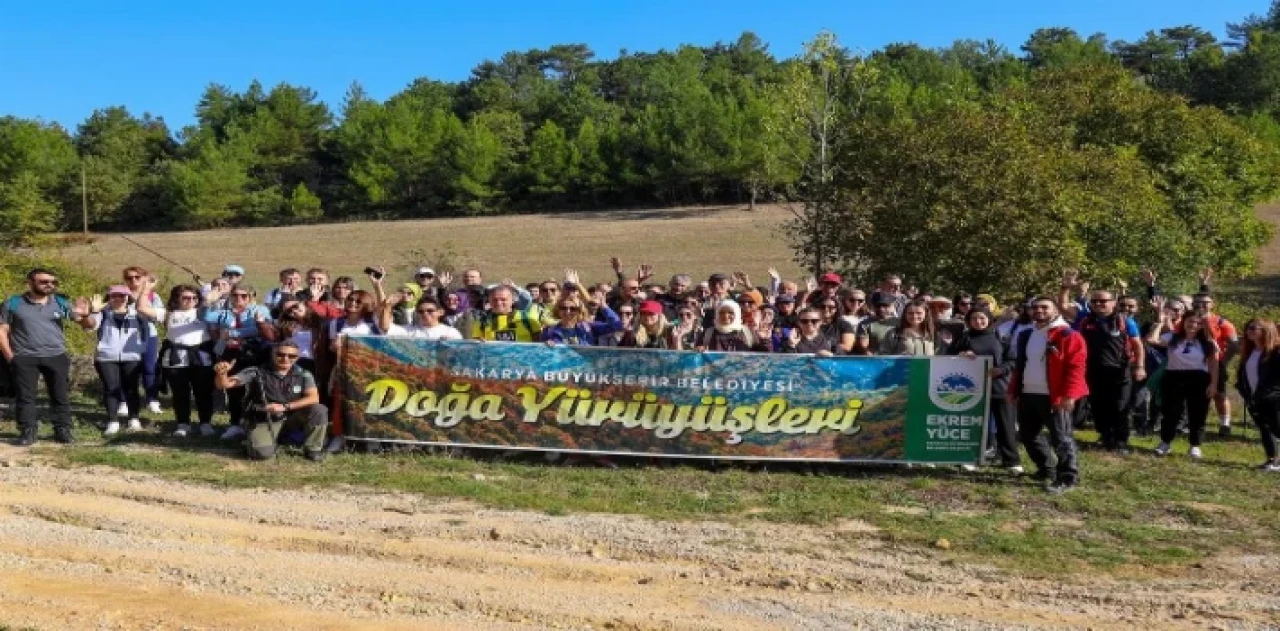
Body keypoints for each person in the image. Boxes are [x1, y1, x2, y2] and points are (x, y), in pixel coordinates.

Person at [1008, 297, 1088, 494]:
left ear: (1056, 310)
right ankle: (1047, 468)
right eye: (1035, 307)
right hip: (1028, 393)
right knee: (1027, 434)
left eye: (1045, 307)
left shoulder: (1068, 334)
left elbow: (1076, 367)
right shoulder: (1027, 334)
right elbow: (1020, 365)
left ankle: (1067, 477)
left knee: (1061, 438)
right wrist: (1013, 390)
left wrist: (1069, 395)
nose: (1039, 311)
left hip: (1055, 396)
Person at [0, 269, 80, 446]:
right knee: (25, 397)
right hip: (24, 357)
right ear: (30, 282)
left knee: (60, 395)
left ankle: (63, 430)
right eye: (44, 281)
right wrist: (10, 357)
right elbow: (2, 330)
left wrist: (86, 314)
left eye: (53, 282)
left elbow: (83, 322)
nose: (49, 285)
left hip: (56, 355)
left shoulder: (60, 302)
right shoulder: (13, 303)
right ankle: (28, 432)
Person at [214, 340, 328, 462]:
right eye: (280, 354)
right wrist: (222, 374)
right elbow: (224, 385)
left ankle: (313, 449)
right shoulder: (256, 371)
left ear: (297, 357)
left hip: (291, 416)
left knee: (319, 409)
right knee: (260, 454)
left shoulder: (304, 374)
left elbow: (313, 398)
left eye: (291, 356)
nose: (285, 358)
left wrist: (284, 407)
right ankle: (255, 437)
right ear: (273, 354)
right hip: (264, 418)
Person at [1071, 290, 1145, 454]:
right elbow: (1063, 308)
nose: (1098, 304)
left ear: (1114, 302)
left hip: (1119, 371)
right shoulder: (1085, 320)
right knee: (1098, 406)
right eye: (1095, 301)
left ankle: (1120, 441)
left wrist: (1140, 367)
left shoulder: (1124, 321)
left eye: (1103, 301)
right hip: (1092, 371)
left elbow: (1137, 345)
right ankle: (1106, 436)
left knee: (1120, 406)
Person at [947, 308, 1020, 472]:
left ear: (989, 319)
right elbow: (948, 356)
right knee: (974, 425)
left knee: (1005, 424)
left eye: (982, 318)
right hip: (971, 389)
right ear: (968, 321)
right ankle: (971, 457)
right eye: (974, 319)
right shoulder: (964, 338)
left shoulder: (1000, 336)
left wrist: (1001, 370)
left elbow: (1013, 360)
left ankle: (1011, 460)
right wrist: (961, 354)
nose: (978, 322)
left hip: (999, 387)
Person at [79, 283, 157, 435]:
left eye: (122, 295)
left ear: (128, 297)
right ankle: (112, 421)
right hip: (107, 357)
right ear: (109, 297)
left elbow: (151, 321)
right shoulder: (102, 313)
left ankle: (134, 419)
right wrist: (90, 313)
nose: (118, 298)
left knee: (132, 389)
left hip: (132, 356)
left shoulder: (138, 314)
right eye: (114, 295)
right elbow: (89, 325)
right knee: (111, 388)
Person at [206, 282, 273, 441]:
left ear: (251, 297)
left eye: (244, 296)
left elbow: (260, 329)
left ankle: (254, 422)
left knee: (256, 388)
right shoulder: (224, 312)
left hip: (254, 353)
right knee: (233, 387)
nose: (239, 298)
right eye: (235, 295)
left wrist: (231, 332)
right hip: (230, 353)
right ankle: (235, 423)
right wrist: (208, 302)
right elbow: (206, 317)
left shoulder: (260, 310)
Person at [1148, 311, 1220, 459]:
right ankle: (1165, 442)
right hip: (1174, 376)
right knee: (1170, 411)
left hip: (1198, 377)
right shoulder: (1173, 337)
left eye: (1198, 323)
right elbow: (1152, 340)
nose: (1193, 325)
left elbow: (1214, 364)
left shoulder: (1207, 342)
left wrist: (1213, 384)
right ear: (1184, 322)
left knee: (1198, 412)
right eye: (1190, 321)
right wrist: (1161, 323)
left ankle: (1195, 445)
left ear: (1202, 325)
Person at [159, 284, 217, 438]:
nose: (190, 300)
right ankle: (183, 424)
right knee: (180, 393)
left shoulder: (203, 313)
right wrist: (145, 289)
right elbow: (142, 308)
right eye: (185, 297)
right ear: (176, 298)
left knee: (203, 392)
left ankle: (205, 423)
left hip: (201, 356)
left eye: (194, 298)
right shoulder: (168, 314)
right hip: (176, 357)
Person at [1189, 293, 1239, 437]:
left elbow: (1234, 345)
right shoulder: (1188, 320)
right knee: (1193, 395)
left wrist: (1223, 361)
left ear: (1212, 304)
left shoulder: (1222, 322)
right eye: (1197, 302)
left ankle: (1225, 424)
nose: (1201, 305)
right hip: (1191, 363)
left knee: (1219, 394)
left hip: (1215, 362)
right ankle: (1196, 423)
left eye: (1205, 302)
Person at [1236, 319, 1280, 471]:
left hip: (1273, 399)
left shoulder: (1276, 351)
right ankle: (1272, 460)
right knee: (1265, 428)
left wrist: (1270, 394)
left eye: (1254, 328)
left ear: (1266, 330)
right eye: (1248, 328)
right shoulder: (1250, 352)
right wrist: (1244, 391)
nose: (1249, 331)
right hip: (1255, 398)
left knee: (1277, 428)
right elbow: (1243, 375)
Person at [468, 285, 544, 342]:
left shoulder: (527, 319)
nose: (498, 303)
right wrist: (479, 342)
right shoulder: (481, 321)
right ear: (489, 300)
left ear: (513, 300)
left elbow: (538, 344)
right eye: (495, 300)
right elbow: (476, 345)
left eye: (503, 299)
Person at [540, 296, 623, 345]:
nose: (567, 312)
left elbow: (617, 326)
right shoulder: (549, 331)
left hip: (585, 371)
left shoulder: (589, 327)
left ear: (579, 311)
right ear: (558, 310)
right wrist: (547, 346)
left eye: (573, 309)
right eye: (563, 308)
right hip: (560, 371)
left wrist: (604, 307)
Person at [696, 301, 769, 352]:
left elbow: (764, 358)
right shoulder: (707, 334)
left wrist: (765, 341)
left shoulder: (748, 333)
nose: (725, 316)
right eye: (722, 312)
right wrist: (698, 350)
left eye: (731, 312)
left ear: (737, 314)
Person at [396, 297, 463, 340]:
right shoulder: (408, 331)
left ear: (440, 312)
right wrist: (387, 307)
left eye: (430, 311)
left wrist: (451, 344)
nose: (425, 314)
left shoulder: (451, 332)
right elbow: (387, 329)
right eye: (421, 311)